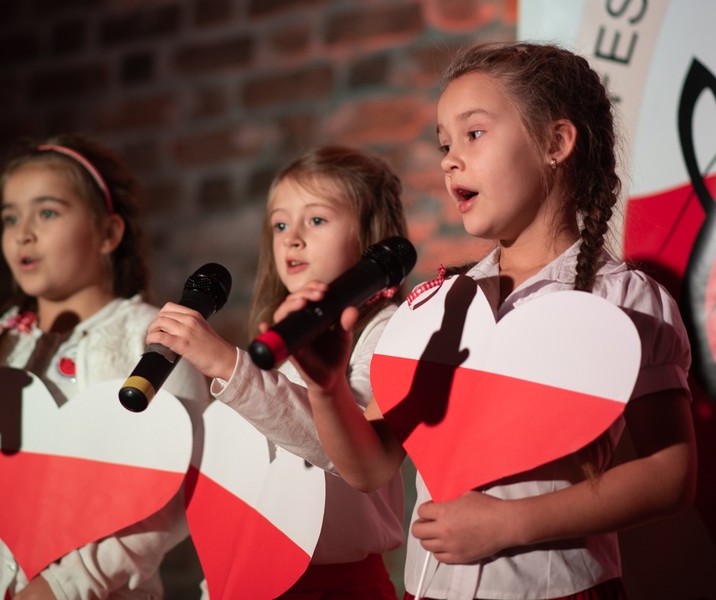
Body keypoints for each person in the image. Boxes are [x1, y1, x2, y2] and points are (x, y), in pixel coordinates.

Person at [281, 42, 698, 599]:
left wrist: (510, 524)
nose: (450, 158)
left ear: (556, 142)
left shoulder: (621, 298)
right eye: (444, 144)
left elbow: (670, 474)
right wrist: (326, 385)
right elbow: (371, 465)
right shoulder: (436, 306)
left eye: (473, 134)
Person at [0, 133, 209, 599]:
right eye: (10, 217)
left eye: (46, 212)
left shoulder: (154, 341)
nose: (23, 232)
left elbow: (176, 492)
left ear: (108, 233)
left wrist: (63, 586)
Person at [145, 145, 408, 598]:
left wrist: (226, 364)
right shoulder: (278, 350)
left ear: (372, 237)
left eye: (317, 220)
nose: (292, 238)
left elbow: (353, 452)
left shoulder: (388, 332)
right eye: (281, 224)